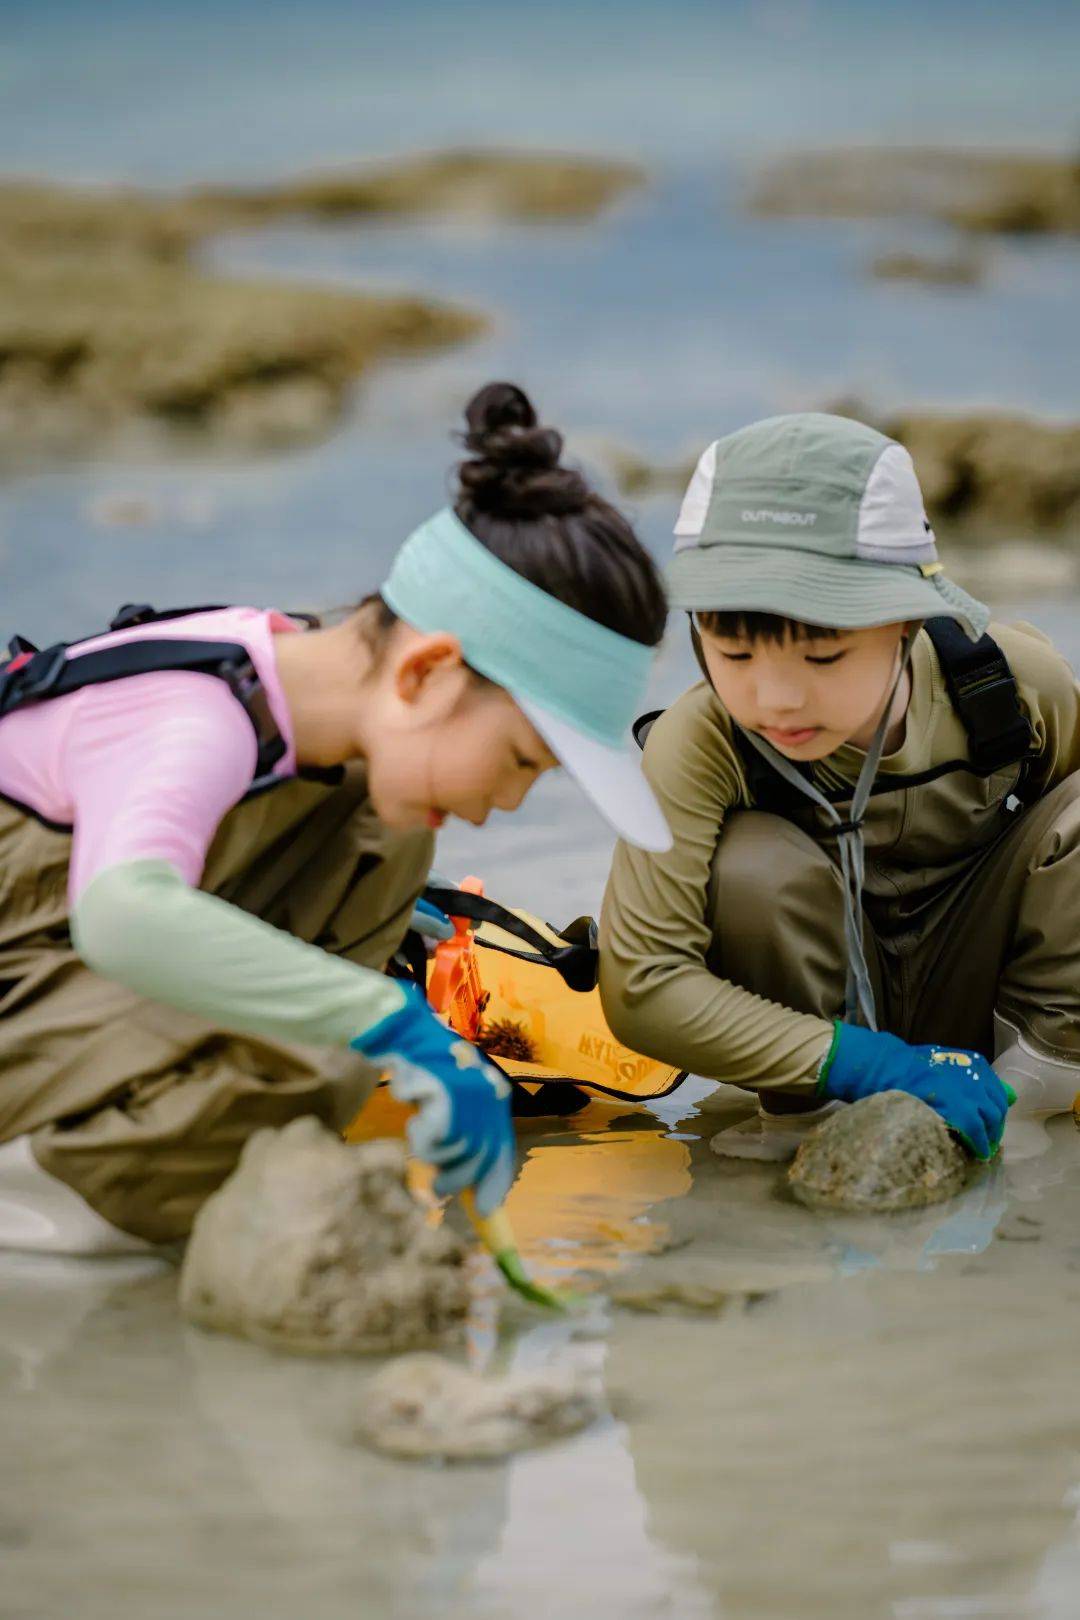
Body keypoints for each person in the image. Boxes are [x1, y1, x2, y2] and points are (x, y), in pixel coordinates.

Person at [0, 381, 670, 1253]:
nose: (504, 803)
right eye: (519, 761)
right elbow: (123, 913)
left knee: (386, 833)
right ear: (426, 671)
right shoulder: (193, 716)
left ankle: (147, 1157)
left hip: (53, 980)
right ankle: (49, 1202)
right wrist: (387, 1020)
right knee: (322, 1048)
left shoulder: (318, 690)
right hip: (59, 950)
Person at [600, 411, 1080, 1162]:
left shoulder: (1008, 687)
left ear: (907, 622)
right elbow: (641, 985)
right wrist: (866, 1064)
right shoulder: (698, 743)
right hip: (810, 1038)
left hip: (988, 1003)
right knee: (751, 864)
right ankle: (805, 1120)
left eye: (822, 658)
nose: (775, 699)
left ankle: (1034, 1094)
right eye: (733, 653)